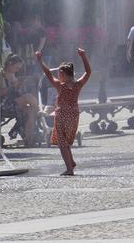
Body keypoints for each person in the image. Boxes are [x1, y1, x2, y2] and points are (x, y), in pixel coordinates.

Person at [36, 48, 91, 176]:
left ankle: (69, 169)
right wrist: (83, 56)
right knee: (66, 142)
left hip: (62, 116)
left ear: (64, 74)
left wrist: (40, 61)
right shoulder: (78, 85)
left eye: (60, 74)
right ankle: (70, 162)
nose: (58, 77)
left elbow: (48, 73)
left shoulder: (60, 86)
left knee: (62, 144)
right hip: (74, 115)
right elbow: (88, 72)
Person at [0, 53, 40, 146]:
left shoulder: (13, 75)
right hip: (3, 104)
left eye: (19, 68)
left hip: (14, 102)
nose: (18, 70)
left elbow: (16, 92)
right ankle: (40, 112)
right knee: (28, 98)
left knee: (30, 110)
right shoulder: (1, 75)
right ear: (10, 64)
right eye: (17, 67)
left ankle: (28, 139)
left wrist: (20, 85)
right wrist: (12, 87)